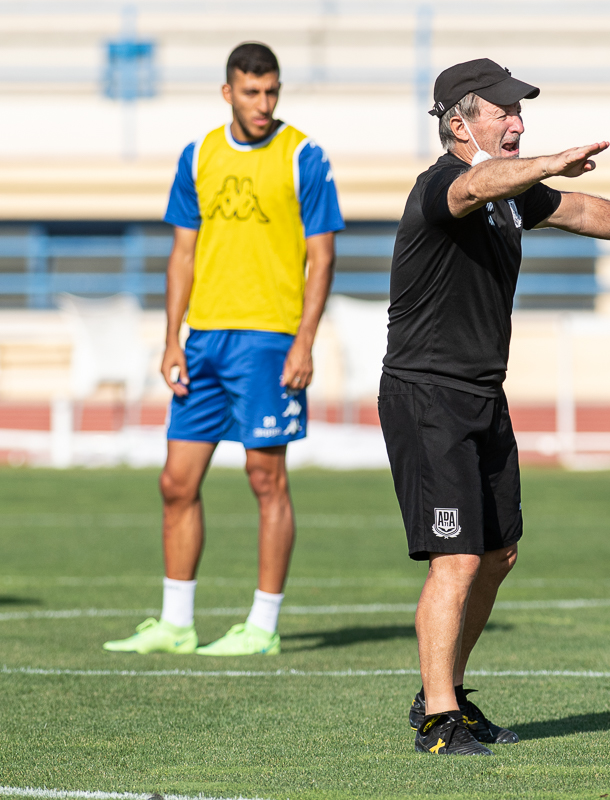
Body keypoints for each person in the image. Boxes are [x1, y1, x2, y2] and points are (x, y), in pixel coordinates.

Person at [380, 58, 610, 755]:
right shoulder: (444, 184)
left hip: (480, 392)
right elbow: (477, 182)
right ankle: (439, 723)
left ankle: (445, 691)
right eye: (502, 112)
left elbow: (581, 209)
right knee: (457, 561)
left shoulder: (510, 193)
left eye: (518, 112)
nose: (516, 122)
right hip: (427, 395)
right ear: (457, 121)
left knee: (498, 554)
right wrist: (547, 162)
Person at [103, 42, 343, 657]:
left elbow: (322, 257)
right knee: (175, 482)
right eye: (251, 91)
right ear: (228, 92)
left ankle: (261, 627)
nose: (263, 104)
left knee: (266, 477)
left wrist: (304, 341)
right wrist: (170, 339)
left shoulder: (304, 156)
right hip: (203, 340)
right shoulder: (199, 154)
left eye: (272, 91)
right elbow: (181, 253)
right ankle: (176, 623)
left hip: (268, 341)